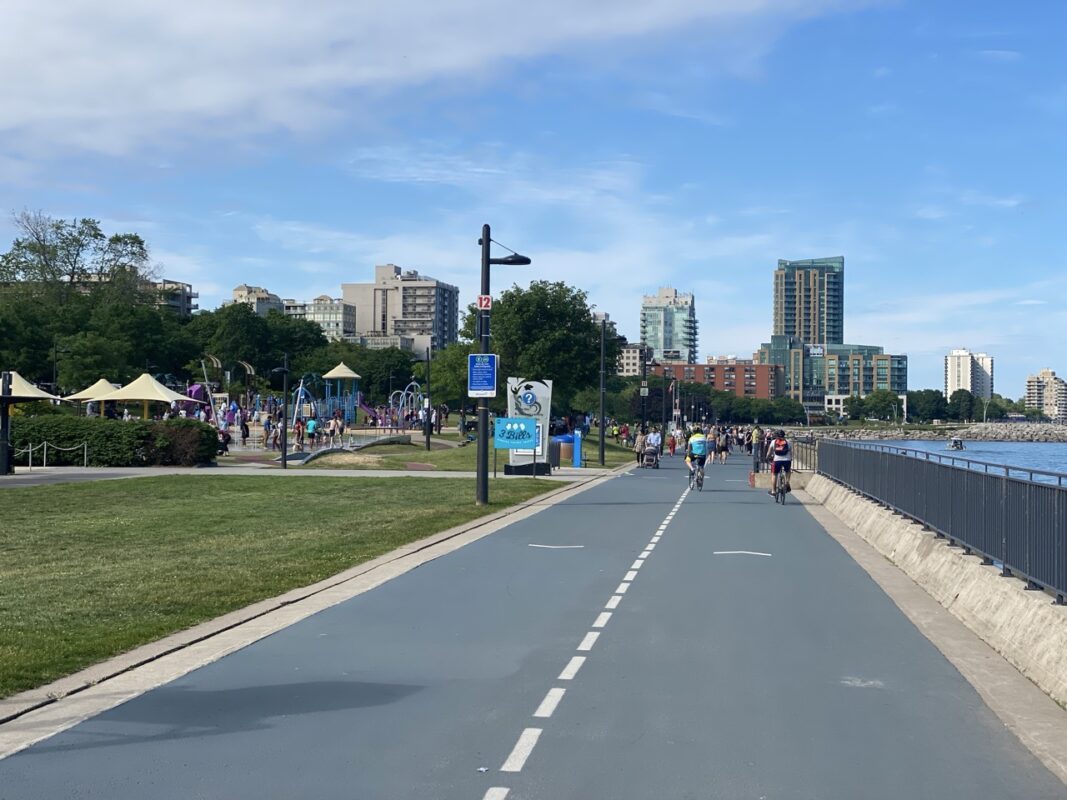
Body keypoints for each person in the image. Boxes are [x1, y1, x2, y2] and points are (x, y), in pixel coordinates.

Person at [766, 429, 792, 495]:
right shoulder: (788, 442)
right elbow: (791, 452)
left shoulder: (773, 441)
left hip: (777, 460)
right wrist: (790, 459)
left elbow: (769, 452)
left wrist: (767, 457)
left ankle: (773, 491)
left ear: (777, 435)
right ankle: (787, 482)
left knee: (774, 474)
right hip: (787, 460)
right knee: (788, 471)